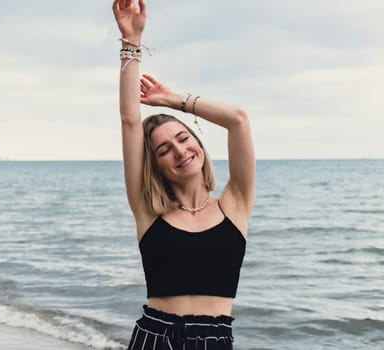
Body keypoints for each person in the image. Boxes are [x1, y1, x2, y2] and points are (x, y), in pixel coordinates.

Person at [112, 0, 255, 349]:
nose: (179, 151)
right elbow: (131, 121)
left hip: (214, 340)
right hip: (153, 336)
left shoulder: (234, 204)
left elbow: (237, 119)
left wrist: (173, 100)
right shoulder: (147, 211)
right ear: (156, 165)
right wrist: (131, 41)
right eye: (164, 150)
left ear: (199, 145)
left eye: (183, 139)